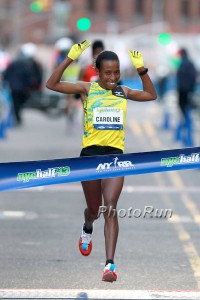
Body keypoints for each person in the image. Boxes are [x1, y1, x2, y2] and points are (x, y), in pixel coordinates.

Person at [46, 40, 157, 282]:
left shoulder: (123, 91)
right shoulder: (87, 89)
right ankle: (87, 227)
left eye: (116, 72)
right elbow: (51, 84)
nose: (113, 77)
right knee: (94, 211)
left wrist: (141, 70)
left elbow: (150, 94)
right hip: (89, 158)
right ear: (98, 71)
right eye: (108, 72)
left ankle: (109, 265)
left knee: (110, 208)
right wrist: (69, 59)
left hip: (115, 158)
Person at [3, 43, 43, 125]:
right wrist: (31, 86)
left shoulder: (14, 63)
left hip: (14, 87)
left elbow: (6, 74)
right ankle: (18, 118)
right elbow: (30, 76)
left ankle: (17, 117)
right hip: (22, 88)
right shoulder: (28, 64)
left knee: (16, 103)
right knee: (18, 103)